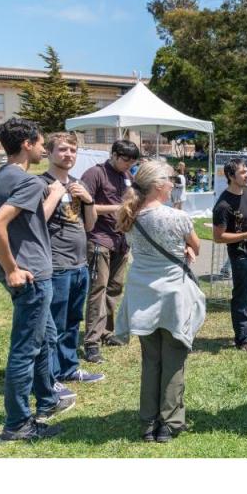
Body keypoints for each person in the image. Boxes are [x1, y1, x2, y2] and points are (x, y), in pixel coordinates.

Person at [0, 118, 71, 441]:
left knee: (45, 338)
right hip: (32, 276)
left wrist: (3, 258)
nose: (44, 149)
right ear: (27, 144)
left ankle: (46, 400)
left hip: (25, 274)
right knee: (26, 349)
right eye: (41, 143)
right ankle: (17, 424)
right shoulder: (30, 182)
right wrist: (12, 267)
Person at [114, 161, 206, 442]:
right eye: (170, 179)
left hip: (143, 294)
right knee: (174, 360)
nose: (173, 184)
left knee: (151, 360)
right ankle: (169, 422)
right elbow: (197, 245)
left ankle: (147, 422)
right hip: (173, 295)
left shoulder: (130, 215)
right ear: (157, 185)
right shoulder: (176, 217)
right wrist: (187, 250)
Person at [41, 133, 104, 393]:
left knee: (72, 321)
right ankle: (50, 376)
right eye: (63, 149)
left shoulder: (79, 184)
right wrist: (54, 195)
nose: (69, 155)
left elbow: (89, 225)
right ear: (49, 152)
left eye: (73, 150)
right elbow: (36, 223)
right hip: (55, 264)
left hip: (79, 264)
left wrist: (88, 200)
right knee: (53, 323)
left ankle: (68, 367)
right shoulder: (41, 184)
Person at [81, 139, 140, 364]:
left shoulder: (127, 176)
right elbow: (85, 205)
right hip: (99, 239)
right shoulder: (95, 174)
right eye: (126, 160)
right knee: (98, 289)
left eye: (133, 162)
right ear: (113, 154)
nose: (129, 165)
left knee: (115, 288)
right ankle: (92, 343)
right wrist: (118, 208)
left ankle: (106, 332)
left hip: (121, 241)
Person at [212, 158, 247, 352]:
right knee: (243, 296)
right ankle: (243, 340)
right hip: (241, 254)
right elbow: (218, 237)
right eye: (242, 172)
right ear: (230, 176)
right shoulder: (223, 205)